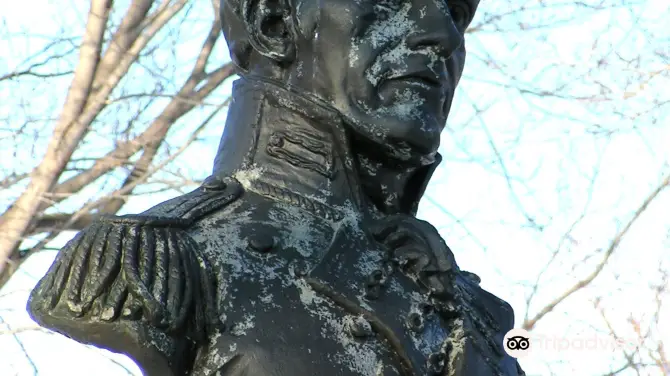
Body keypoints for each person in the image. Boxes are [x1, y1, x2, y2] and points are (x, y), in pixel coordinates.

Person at [29, 0, 525, 374]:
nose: (441, 34)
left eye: (455, 11)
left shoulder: (470, 310)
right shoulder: (164, 259)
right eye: (392, 1)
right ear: (274, 24)